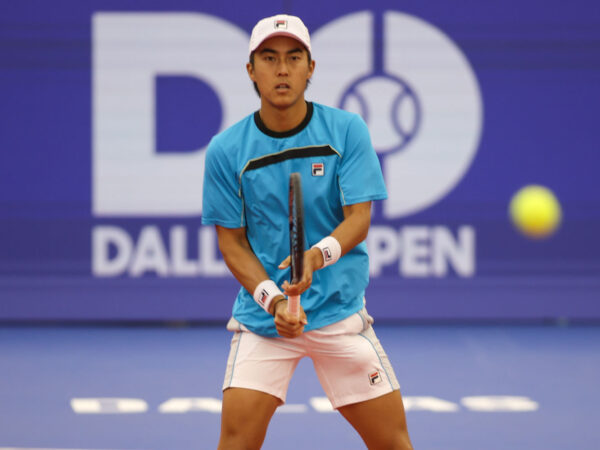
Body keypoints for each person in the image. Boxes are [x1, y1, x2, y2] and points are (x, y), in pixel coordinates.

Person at [202, 14, 413, 450]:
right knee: (235, 444)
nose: (282, 69)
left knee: (393, 444)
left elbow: (358, 218)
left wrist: (315, 258)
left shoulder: (346, 130)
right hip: (265, 322)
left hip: (338, 314)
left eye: (294, 58)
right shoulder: (226, 150)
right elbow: (232, 243)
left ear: (310, 68)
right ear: (251, 70)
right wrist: (275, 300)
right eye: (270, 58)